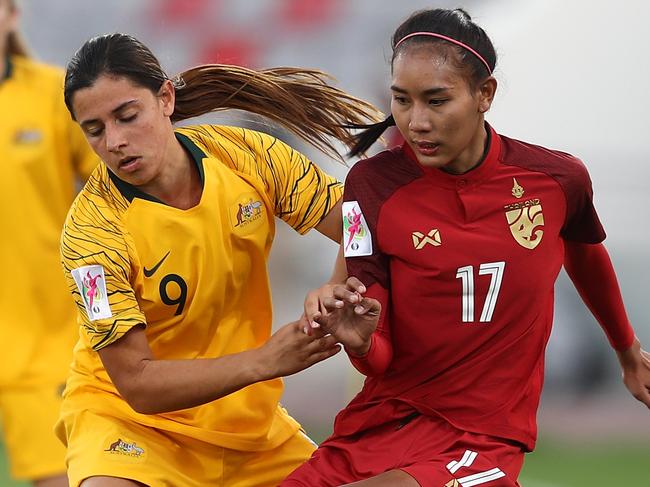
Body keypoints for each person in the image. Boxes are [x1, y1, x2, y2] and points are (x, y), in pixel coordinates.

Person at [284, 8, 650, 487]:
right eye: (402, 100)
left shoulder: (557, 180)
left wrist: (626, 348)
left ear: (485, 94)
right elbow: (377, 345)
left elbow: (584, 250)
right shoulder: (368, 187)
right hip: (379, 424)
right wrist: (359, 340)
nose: (417, 122)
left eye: (437, 100)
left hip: (482, 436)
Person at [55, 32, 380, 487]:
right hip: (130, 428)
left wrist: (336, 285)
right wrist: (264, 360)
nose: (115, 142)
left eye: (127, 116)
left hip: (249, 430)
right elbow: (137, 385)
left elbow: (361, 224)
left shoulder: (249, 155)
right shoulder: (90, 235)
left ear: (165, 98)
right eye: (95, 130)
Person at [0, 1, 97, 486]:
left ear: (12, 14)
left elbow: (120, 188)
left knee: (70, 477)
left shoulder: (53, 96)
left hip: (50, 341)